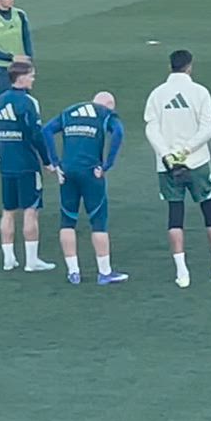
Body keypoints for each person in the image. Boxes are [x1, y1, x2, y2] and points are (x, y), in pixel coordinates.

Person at [144, 49, 211, 287]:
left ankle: (182, 272)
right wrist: (186, 150)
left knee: (175, 213)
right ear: (190, 67)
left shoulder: (157, 94)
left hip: (167, 165)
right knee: (209, 207)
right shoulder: (200, 92)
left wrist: (167, 154)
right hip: (197, 162)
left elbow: (151, 128)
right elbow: (207, 129)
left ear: (170, 66)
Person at [43, 91, 129, 285]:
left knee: (67, 221)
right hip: (91, 173)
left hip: (67, 172)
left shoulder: (69, 112)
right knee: (98, 221)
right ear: (109, 105)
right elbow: (119, 132)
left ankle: (73, 272)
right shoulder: (105, 114)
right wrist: (107, 164)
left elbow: (46, 130)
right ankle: (104, 272)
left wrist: (55, 162)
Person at [0, 60, 52, 272]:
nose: (33, 79)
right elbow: (36, 135)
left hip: (7, 165)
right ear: (22, 77)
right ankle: (31, 261)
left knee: (8, 210)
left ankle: (8, 259)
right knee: (30, 210)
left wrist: (3, 155)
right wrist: (47, 161)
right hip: (26, 164)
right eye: (31, 75)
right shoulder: (28, 102)